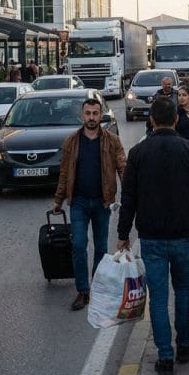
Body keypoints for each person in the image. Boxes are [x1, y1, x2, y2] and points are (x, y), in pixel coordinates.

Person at [117, 97, 189, 375]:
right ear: (176, 119)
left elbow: (128, 199)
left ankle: (165, 357)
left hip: (151, 237)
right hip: (185, 235)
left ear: (151, 120)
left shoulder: (137, 153)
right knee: (183, 291)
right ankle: (184, 346)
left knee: (158, 299)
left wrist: (123, 234)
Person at [52, 98, 126, 311]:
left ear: (101, 115)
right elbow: (64, 172)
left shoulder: (112, 141)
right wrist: (58, 199)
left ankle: (97, 287)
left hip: (103, 202)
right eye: (88, 113)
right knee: (78, 244)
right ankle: (83, 290)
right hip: (79, 202)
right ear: (82, 115)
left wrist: (131, 196)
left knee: (101, 247)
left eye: (95, 113)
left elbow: (123, 168)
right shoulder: (71, 141)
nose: (91, 117)